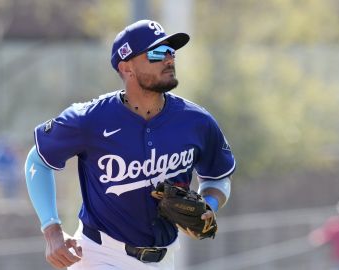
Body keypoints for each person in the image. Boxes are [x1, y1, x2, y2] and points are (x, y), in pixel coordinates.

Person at [24, 19, 236, 270]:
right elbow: (37, 160)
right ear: (127, 67)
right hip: (101, 255)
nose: (169, 59)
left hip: (165, 259)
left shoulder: (196, 121)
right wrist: (52, 230)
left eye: (171, 52)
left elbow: (218, 178)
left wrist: (209, 206)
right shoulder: (89, 119)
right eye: (157, 52)